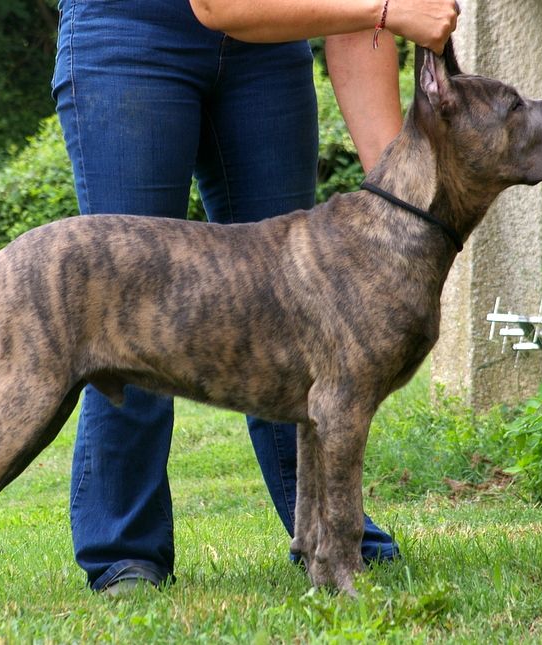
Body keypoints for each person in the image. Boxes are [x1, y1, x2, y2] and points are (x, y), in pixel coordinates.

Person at [52, 0, 458, 593]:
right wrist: (391, 9)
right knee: (129, 313)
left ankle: (327, 536)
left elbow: (360, 24)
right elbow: (220, 6)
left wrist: (406, 198)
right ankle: (125, 553)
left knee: (296, 315)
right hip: (132, 32)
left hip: (269, 50)